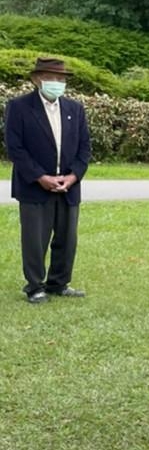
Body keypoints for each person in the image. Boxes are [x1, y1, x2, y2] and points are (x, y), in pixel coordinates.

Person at [4, 56, 91, 304]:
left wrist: (73, 176)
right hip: (35, 186)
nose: (57, 82)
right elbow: (15, 147)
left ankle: (59, 283)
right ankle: (35, 286)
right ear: (36, 79)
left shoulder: (75, 109)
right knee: (35, 239)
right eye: (51, 78)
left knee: (67, 238)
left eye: (61, 79)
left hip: (68, 186)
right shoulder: (19, 107)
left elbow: (84, 148)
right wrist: (40, 177)